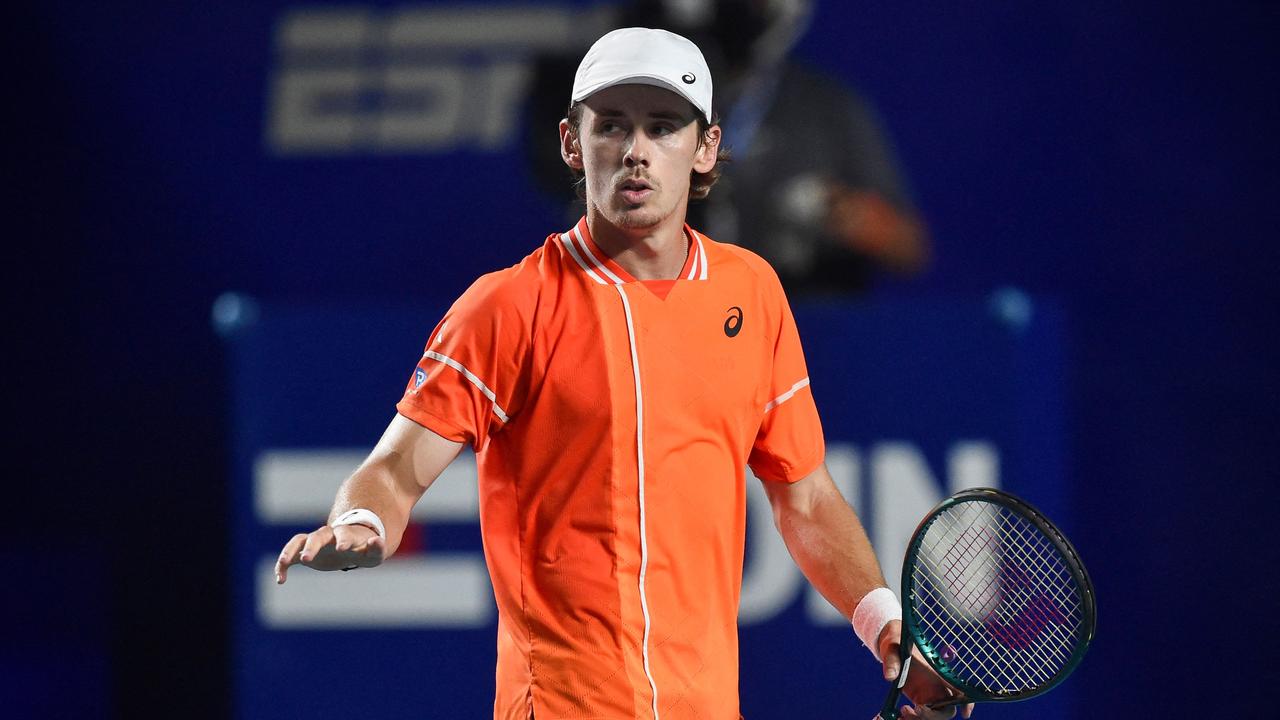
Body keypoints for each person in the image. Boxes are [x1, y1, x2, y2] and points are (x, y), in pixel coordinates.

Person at [276, 27, 969, 720]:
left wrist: (887, 629)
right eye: (612, 126)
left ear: (706, 150)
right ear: (573, 143)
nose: (636, 151)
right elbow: (397, 467)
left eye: (663, 127)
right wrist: (363, 521)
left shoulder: (750, 293)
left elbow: (806, 496)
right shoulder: (506, 307)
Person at [523, 1, 930, 297]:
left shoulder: (824, 105)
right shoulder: (631, 91)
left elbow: (907, 245)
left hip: (800, 313)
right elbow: (557, 169)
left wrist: (840, 212)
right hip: (658, 304)